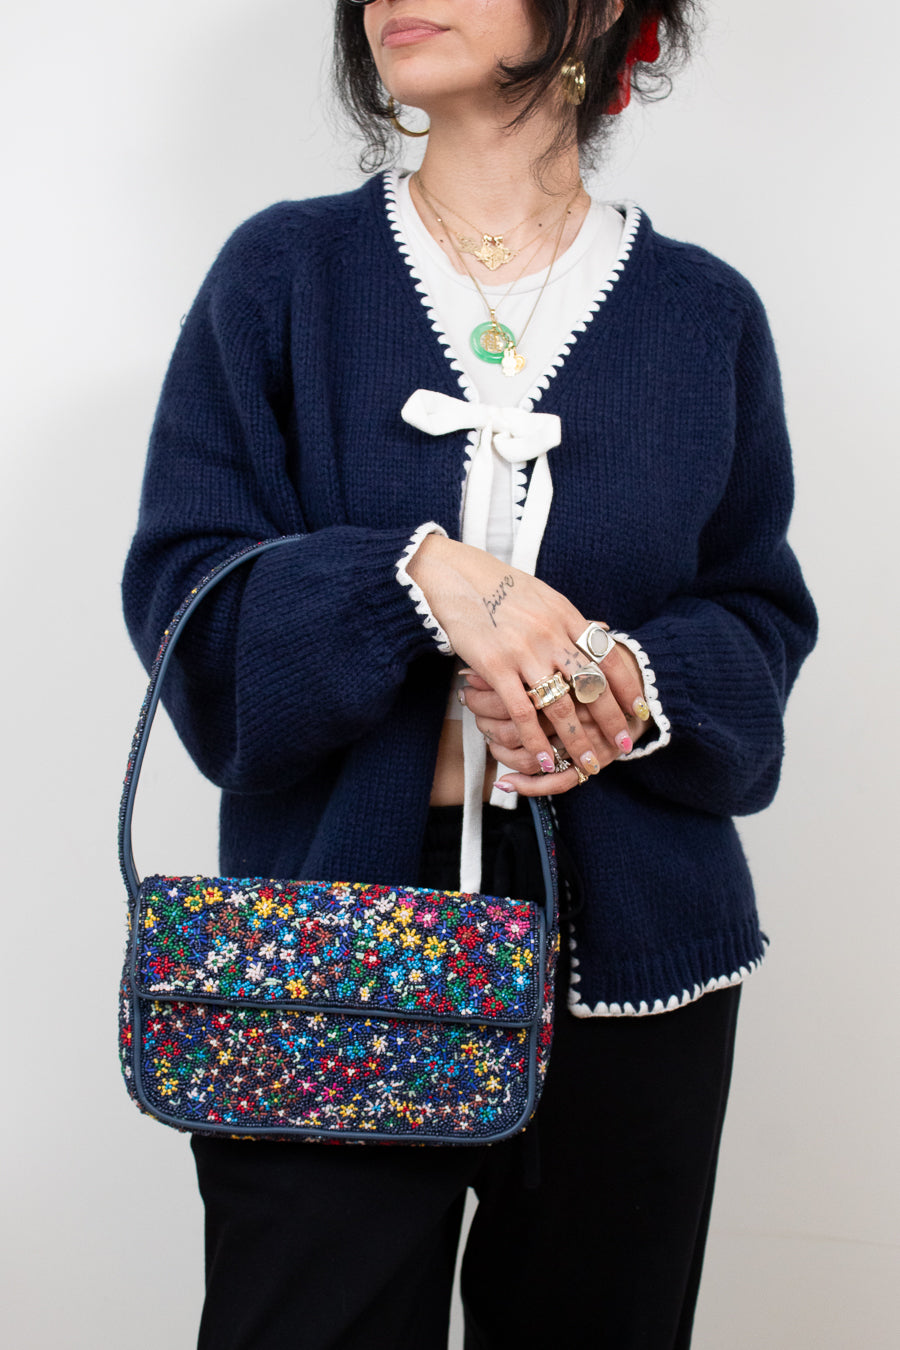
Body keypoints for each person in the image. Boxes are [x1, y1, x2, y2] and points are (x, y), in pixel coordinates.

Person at [122, 1, 817, 1346]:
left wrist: (623, 678)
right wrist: (421, 575)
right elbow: (187, 615)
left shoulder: (702, 316)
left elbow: (756, 624)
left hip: (634, 970)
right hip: (325, 948)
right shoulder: (283, 277)